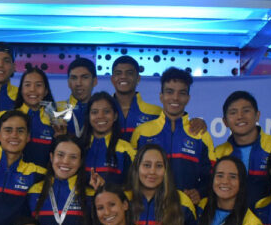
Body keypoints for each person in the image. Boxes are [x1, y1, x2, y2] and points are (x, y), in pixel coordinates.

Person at [131, 67, 215, 204]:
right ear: (161, 96)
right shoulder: (142, 133)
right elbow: (132, 175)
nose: (175, 98)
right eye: (170, 92)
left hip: (186, 211)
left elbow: (212, 176)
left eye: (181, 93)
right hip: (148, 211)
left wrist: (200, 192)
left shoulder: (201, 135)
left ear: (188, 98)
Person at [213, 91, 271, 207]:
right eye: (233, 112)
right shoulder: (218, 153)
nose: (240, 116)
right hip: (234, 221)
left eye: (246, 111)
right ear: (225, 122)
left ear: (257, 115)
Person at [28, 134, 94, 225]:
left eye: (73, 157)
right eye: (60, 155)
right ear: (51, 157)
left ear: (81, 161)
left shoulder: (90, 195)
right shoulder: (34, 191)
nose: (65, 161)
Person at [126, 144, 196, 225]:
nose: (152, 171)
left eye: (159, 166)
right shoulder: (124, 200)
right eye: (147, 165)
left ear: (166, 170)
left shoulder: (182, 202)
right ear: (137, 168)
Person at [0, 67, 60, 167]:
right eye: (27, 85)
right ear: (21, 90)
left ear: (45, 91)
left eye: (38, 85)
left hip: (41, 180)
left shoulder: (55, 121)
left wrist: (60, 137)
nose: (32, 89)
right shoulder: (3, 116)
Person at [79, 92, 137, 187]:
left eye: (106, 111)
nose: (100, 116)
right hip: (81, 201)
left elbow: (135, 186)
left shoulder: (126, 149)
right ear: (88, 117)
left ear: (115, 116)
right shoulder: (78, 147)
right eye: (94, 112)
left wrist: (106, 186)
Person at [110, 56, 162, 141]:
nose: (123, 76)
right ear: (112, 79)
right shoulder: (101, 111)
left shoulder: (156, 113)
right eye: (118, 73)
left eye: (129, 73)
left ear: (138, 78)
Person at [58, 57, 97, 138]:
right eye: (74, 78)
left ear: (95, 81)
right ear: (68, 83)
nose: (78, 83)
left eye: (85, 77)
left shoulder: (102, 111)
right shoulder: (56, 109)